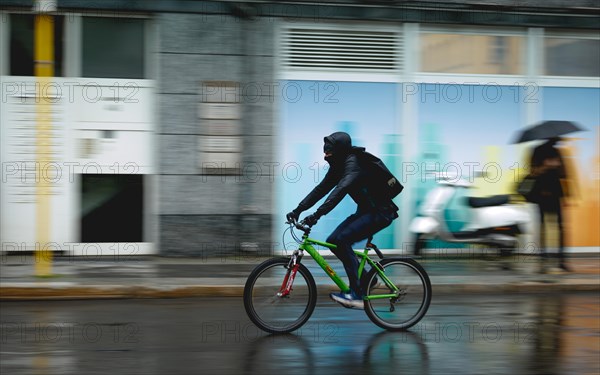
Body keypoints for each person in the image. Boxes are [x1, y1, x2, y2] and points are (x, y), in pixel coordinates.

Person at [286, 132, 399, 308]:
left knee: (342, 239)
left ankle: (356, 295)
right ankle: (369, 279)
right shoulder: (338, 166)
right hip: (366, 212)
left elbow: (339, 191)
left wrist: (316, 215)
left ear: (339, 150)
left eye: (329, 153)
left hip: (380, 213)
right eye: (325, 153)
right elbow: (320, 190)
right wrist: (298, 210)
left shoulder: (353, 164)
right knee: (333, 240)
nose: (325, 156)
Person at [529, 137, 569, 272]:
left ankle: (562, 259)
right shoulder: (537, 151)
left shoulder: (558, 152)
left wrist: (557, 165)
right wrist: (545, 166)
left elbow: (564, 173)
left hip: (556, 193)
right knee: (542, 227)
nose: (558, 141)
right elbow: (532, 172)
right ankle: (543, 257)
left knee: (561, 227)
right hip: (541, 193)